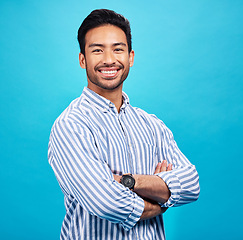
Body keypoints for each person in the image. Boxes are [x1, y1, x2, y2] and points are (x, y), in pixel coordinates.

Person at [48, 9, 200, 240]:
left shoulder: (151, 124)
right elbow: (106, 202)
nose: (109, 59)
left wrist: (129, 182)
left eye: (118, 49)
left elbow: (191, 184)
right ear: (82, 60)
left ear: (130, 57)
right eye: (97, 50)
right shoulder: (71, 125)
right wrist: (159, 201)